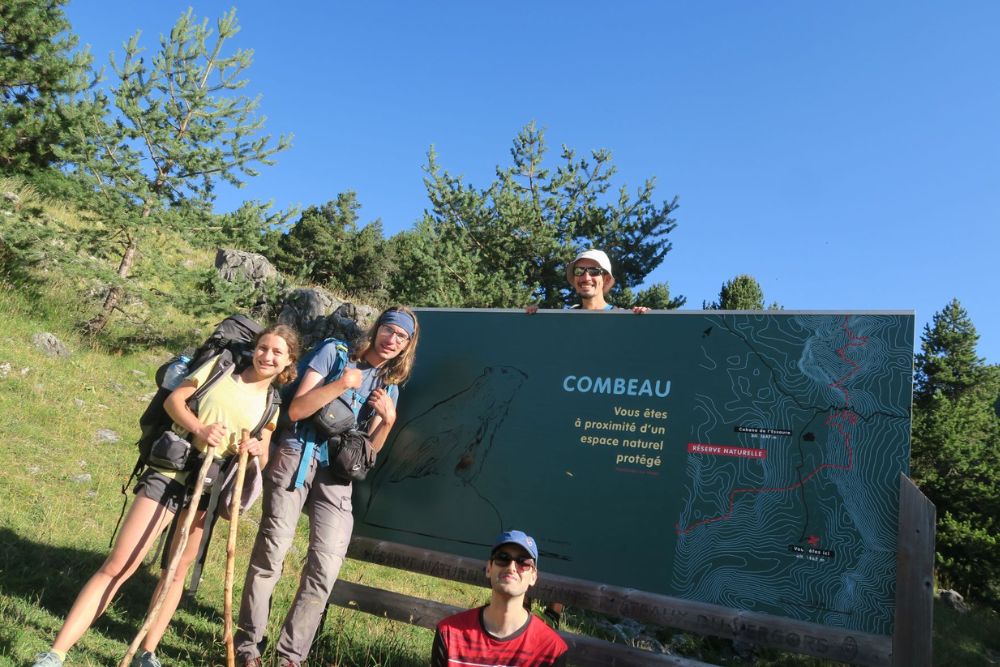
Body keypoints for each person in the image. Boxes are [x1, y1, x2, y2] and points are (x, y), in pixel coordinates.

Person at [32, 325, 300, 667]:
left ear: (289, 361)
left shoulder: (271, 403)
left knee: (176, 571)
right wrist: (201, 428)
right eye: (264, 348)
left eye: (277, 352)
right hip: (171, 472)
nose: (267, 356)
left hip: (208, 488)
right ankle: (56, 652)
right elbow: (176, 401)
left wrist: (255, 447)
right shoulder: (222, 367)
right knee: (121, 563)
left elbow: (263, 452)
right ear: (255, 348)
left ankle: (148, 652)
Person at [234, 306, 420, 667]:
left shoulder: (388, 387)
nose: (392, 341)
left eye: (402, 338)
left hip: (337, 477)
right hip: (297, 456)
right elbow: (296, 411)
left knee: (325, 569)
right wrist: (341, 384)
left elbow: (366, 453)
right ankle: (248, 647)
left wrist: (388, 422)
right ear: (377, 329)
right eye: (389, 331)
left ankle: (290, 657)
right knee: (271, 555)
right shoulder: (334, 353)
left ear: (407, 346)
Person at [432, 530, 569, 667]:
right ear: (489, 568)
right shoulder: (450, 634)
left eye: (523, 562)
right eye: (503, 558)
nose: (511, 567)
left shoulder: (552, 651)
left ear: (533, 577)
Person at [528, 248, 649, 314]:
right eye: (579, 271)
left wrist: (646, 320)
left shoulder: (623, 318)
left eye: (594, 271)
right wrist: (535, 320)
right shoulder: (563, 320)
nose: (586, 278)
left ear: (606, 279)